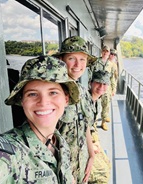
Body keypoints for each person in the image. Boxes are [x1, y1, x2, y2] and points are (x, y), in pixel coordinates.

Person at [0, 55, 79, 183]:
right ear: (22, 101)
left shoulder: (60, 143)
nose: (43, 102)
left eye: (53, 92)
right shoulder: (8, 153)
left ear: (66, 99)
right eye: (32, 94)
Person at [53, 36, 97, 183]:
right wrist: (65, 173)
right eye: (72, 58)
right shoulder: (52, 93)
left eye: (83, 59)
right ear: (61, 59)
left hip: (81, 164)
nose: (78, 64)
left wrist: (91, 155)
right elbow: (45, 139)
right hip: (60, 172)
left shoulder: (83, 92)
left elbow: (85, 126)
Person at [88, 70, 112, 184]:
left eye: (105, 84)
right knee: (102, 175)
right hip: (81, 142)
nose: (101, 86)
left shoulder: (96, 100)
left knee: (107, 163)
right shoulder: (85, 101)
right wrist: (91, 145)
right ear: (91, 82)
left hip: (90, 137)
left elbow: (90, 124)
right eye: (98, 82)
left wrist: (96, 140)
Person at [88, 45, 116, 131]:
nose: (105, 53)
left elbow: (112, 78)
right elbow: (90, 74)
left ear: (109, 53)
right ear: (102, 52)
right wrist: (90, 86)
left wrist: (113, 89)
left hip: (106, 89)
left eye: (107, 51)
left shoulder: (111, 64)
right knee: (95, 106)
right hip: (96, 88)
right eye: (104, 51)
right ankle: (94, 124)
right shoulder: (96, 62)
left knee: (106, 105)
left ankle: (103, 122)